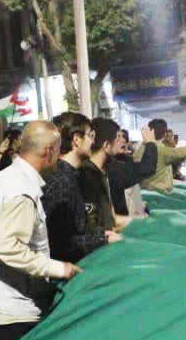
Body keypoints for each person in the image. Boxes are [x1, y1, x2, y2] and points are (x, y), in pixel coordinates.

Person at [0, 120, 82, 340]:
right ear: (49, 151)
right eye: (59, 150)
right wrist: (59, 269)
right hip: (12, 315)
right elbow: (5, 247)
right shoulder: (22, 190)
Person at [43, 112, 121, 263]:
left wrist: (101, 235)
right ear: (77, 140)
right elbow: (63, 242)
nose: (93, 141)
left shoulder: (70, 175)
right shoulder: (62, 181)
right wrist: (102, 239)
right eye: (90, 135)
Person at [136, 119, 186, 194]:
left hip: (143, 191)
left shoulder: (139, 151)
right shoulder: (161, 150)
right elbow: (181, 153)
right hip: (159, 193)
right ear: (164, 134)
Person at [81, 118, 130, 236]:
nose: (122, 141)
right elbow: (97, 228)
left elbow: (110, 219)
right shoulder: (88, 176)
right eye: (117, 138)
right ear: (107, 145)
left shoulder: (101, 172)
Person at [108, 126, 158, 220]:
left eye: (124, 137)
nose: (123, 140)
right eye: (118, 137)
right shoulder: (112, 168)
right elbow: (147, 168)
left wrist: (142, 210)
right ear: (106, 143)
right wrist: (150, 143)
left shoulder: (129, 160)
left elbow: (135, 195)